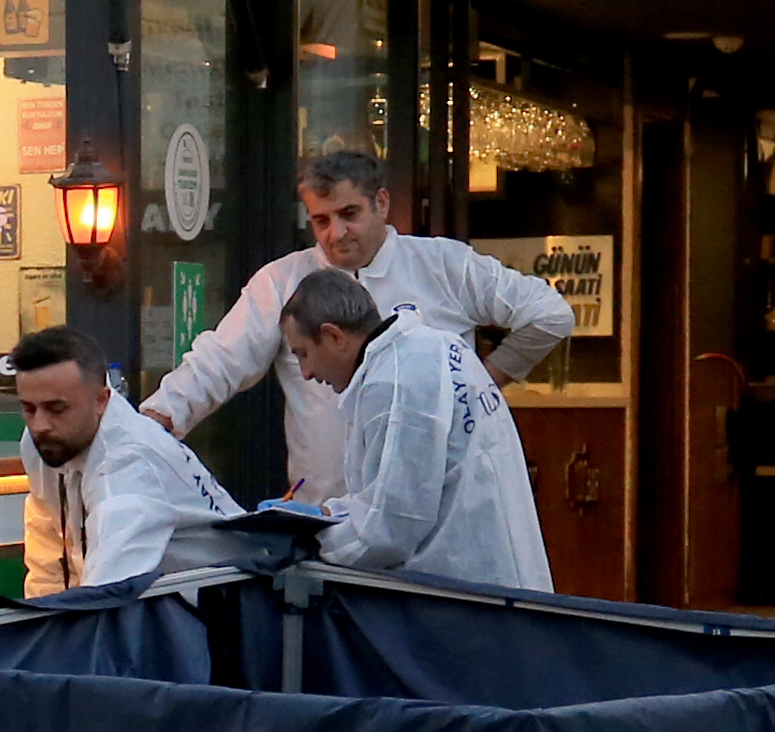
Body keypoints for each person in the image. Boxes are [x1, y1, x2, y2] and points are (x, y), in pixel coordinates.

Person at [144, 148, 573, 498]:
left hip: (439, 514)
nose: (336, 233)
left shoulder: (442, 265)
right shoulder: (282, 281)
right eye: (321, 220)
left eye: (349, 213)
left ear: (381, 203)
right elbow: (218, 362)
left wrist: (485, 378)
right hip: (328, 517)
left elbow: (550, 314)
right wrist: (155, 420)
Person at [278, 267, 553, 591]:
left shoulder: (394, 383)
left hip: (466, 599)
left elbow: (390, 529)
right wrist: (325, 512)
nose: (306, 373)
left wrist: (309, 541)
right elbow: (394, 493)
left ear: (334, 336)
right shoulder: (432, 346)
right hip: (492, 579)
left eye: (303, 354)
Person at [11, 324, 239, 595]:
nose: (39, 425)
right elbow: (48, 554)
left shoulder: (130, 472)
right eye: (28, 408)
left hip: (222, 616)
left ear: (102, 400)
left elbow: (103, 603)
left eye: (56, 408)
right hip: (161, 611)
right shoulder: (39, 441)